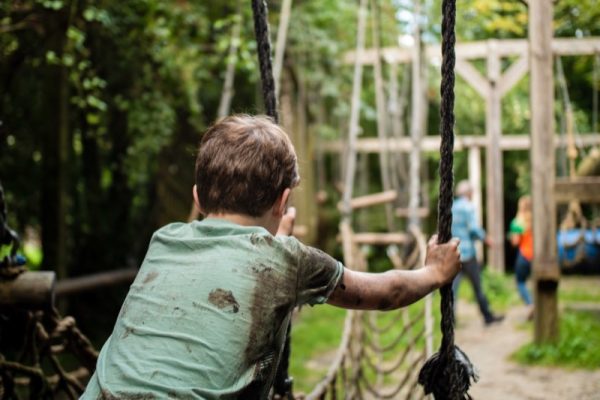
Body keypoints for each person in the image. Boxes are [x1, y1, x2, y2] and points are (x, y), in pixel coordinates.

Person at [81, 115, 461, 399]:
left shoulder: (165, 239)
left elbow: (227, 263)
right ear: (283, 202)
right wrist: (433, 273)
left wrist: (275, 242)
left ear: (197, 198)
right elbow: (384, 293)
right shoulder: (290, 261)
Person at [451, 180, 503, 326]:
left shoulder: (452, 207)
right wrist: (486, 239)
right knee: (477, 286)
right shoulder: (468, 207)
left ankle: (451, 320)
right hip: (468, 254)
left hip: (454, 254)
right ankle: (487, 317)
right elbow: (473, 229)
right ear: (468, 193)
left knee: (453, 289)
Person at [508, 195, 533, 311]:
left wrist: (511, 235)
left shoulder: (518, 222)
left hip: (524, 255)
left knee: (520, 282)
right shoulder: (536, 219)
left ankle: (530, 303)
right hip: (536, 256)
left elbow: (515, 242)